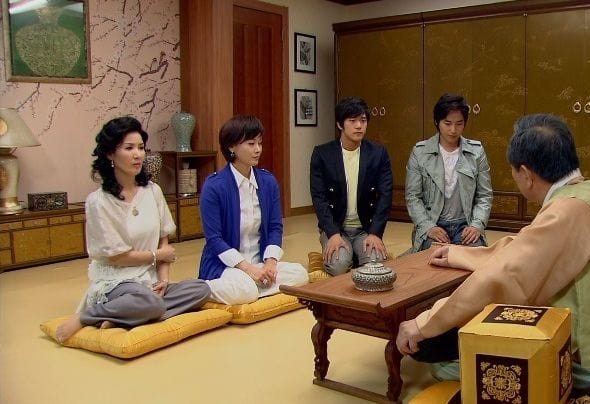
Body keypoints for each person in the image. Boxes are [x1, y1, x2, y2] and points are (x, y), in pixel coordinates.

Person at [396, 113, 590, 389]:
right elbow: (523, 247)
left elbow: (504, 276)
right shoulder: (582, 193)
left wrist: (424, 323)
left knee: (442, 361)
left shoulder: (567, 211)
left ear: (526, 175)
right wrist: (460, 254)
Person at [56, 117, 211, 343]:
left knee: (200, 289)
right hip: (118, 282)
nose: (138, 155)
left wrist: (164, 280)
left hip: (148, 281)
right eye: (129, 148)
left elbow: (164, 240)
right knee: (149, 302)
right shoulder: (99, 202)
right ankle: (88, 316)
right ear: (110, 154)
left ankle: (125, 316)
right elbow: (118, 257)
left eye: (141, 148)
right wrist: (158, 255)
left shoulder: (153, 191)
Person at [199, 115, 308, 305]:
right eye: (251, 144)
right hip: (226, 266)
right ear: (231, 147)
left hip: (260, 263)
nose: (258, 149)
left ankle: (253, 288)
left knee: (300, 274)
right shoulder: (214, 186)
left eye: (260, 143)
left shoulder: (268, 181)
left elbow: (275, 227)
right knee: (246, 289)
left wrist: (271, 263)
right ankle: (202, 289)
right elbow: (214, 240)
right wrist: (248, 269)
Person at [310, 96, 393, 275]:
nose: (359, 126)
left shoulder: (378, 154)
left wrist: (375, 233)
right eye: (352, 121)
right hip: (336, 228)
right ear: (340, 124)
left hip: (365, 228)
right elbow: (319, 198)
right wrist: (332, 233)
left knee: (375, 266)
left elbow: (385, 196)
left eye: (363, 120)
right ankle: (347, 253)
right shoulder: (322, 154)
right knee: (338, 266)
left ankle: (356, 253)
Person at [405, 93, 493, 253]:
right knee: (434, 258)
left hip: (465, 225)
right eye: (447, 123)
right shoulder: (420, 152)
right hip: (434, 223)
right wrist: (428, 227)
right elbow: (413, 197)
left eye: (459, 124)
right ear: (437, 122)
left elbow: (484, 196)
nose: (453, 130)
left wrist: (476, 225)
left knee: (475, 258)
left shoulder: (476, 152)